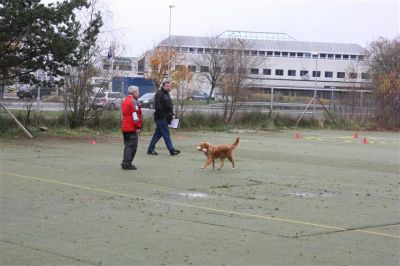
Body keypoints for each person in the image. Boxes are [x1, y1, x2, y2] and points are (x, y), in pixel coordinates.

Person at [147, 80, 180, 156]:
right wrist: (165, 116)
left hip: (166, 117)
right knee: (166, 134)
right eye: (167, 86)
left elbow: (168, 106)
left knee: (158, 134)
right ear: (163, 86)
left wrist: (171, 114)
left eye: (169, 86)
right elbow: (158, 107)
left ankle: (150, 149)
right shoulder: (159, 94)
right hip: (161, 118)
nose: (169, 88)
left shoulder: (167, 94)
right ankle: (171, 150)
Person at [121, 86, 142, 170]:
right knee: (132, 146)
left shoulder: (125, 100)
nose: (138, 93)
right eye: (137, 92)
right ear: (134, 93)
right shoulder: (133, 101)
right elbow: (135, 116)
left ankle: (125, 162)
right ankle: (127, 163)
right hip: (131, 127)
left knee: (127, 145)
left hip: (125, 126)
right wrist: (138, 126)